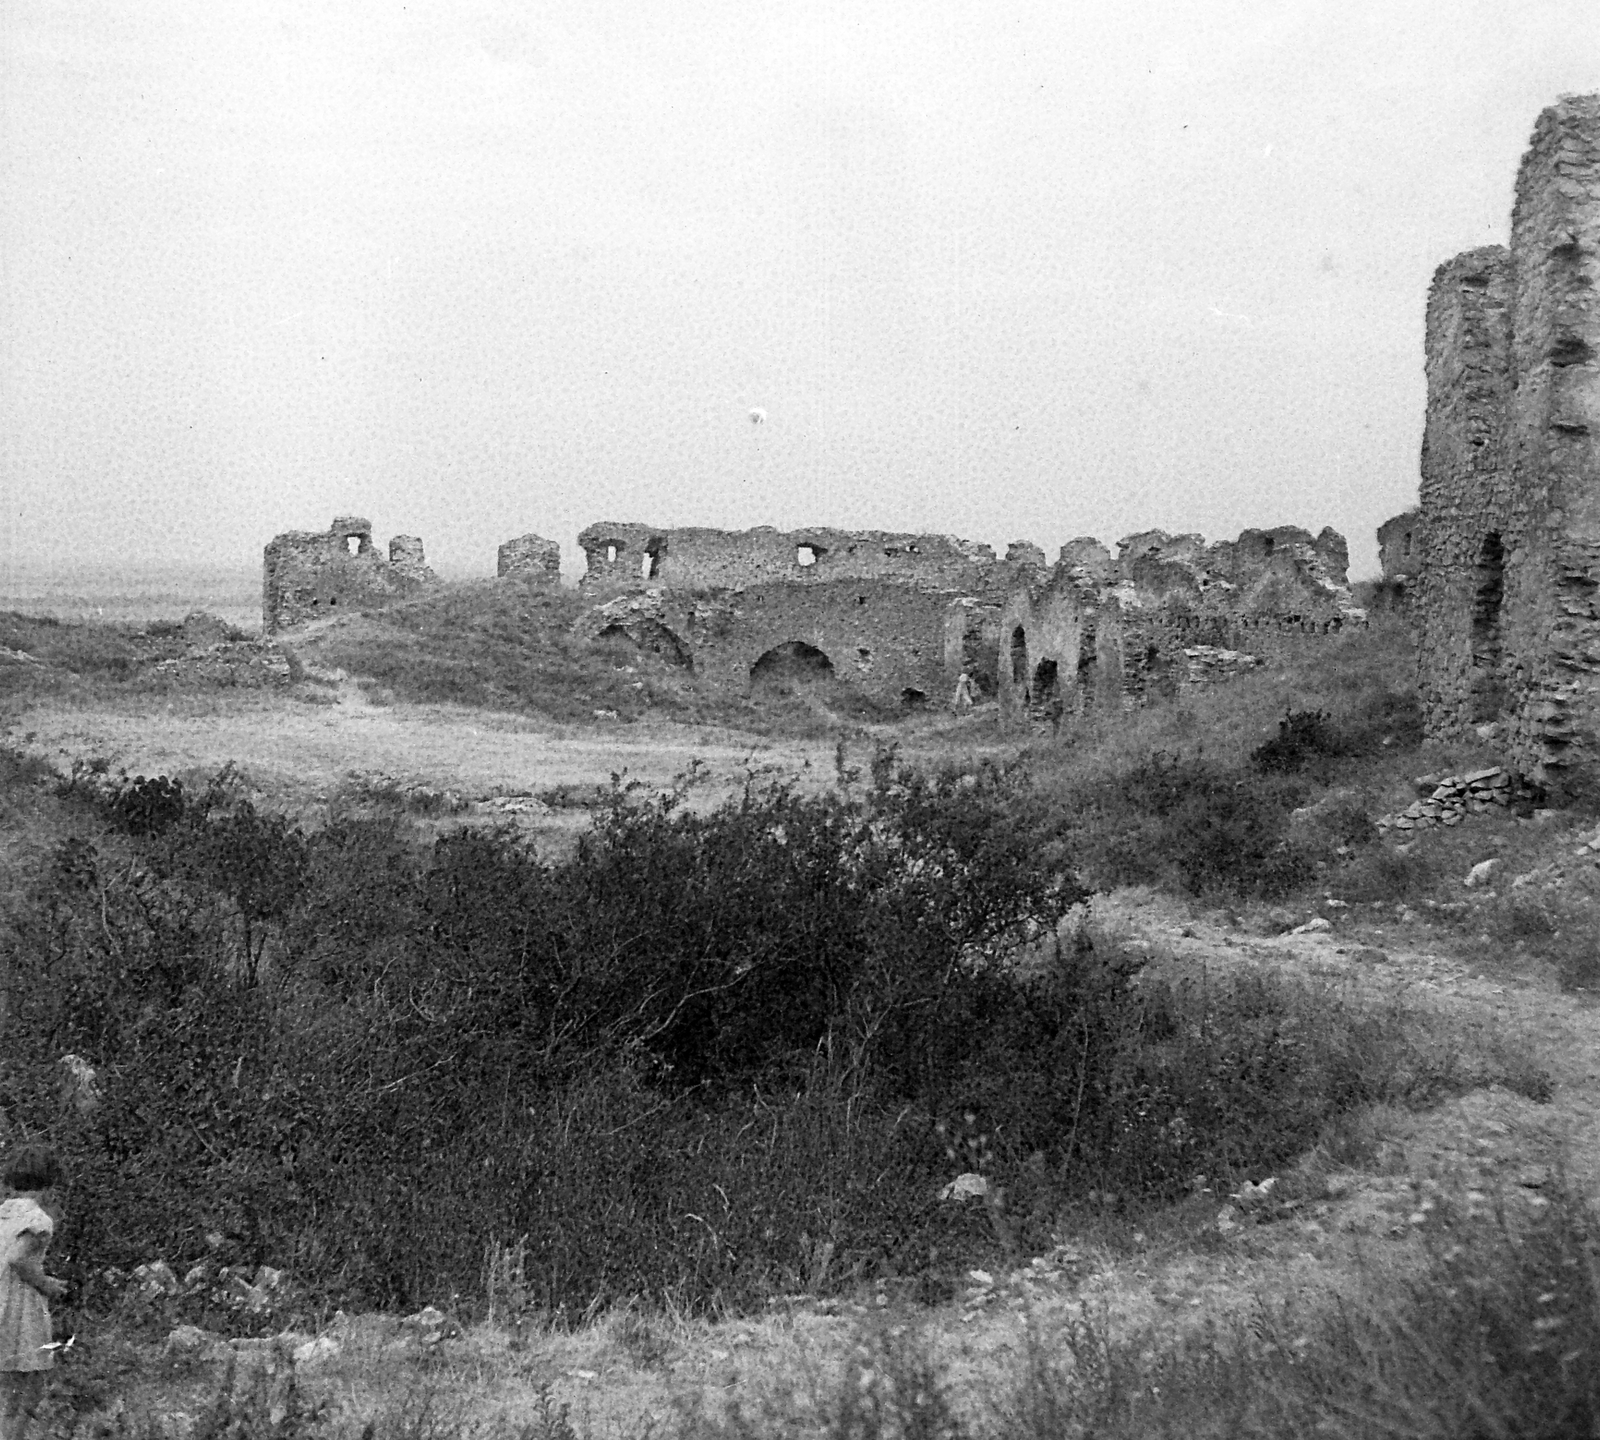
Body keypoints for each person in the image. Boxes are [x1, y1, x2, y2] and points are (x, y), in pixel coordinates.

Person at [0, 1146, 67, 1440]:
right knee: (24, 1390)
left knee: (9, 1390)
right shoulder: (38, 1219)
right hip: (19, 1307)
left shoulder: (3, 1214)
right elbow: (18, 1258)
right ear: (49, 1184)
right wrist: (47, 1284)